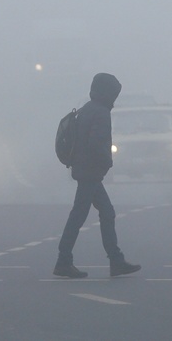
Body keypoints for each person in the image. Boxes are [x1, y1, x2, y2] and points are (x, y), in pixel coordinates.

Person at [53, 73, 141, 279]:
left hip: (83, 169)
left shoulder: (86, 109)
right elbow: (96, 144)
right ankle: (64, 260)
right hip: (90, 172)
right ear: (108, 93)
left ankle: (115, 260)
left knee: (105, 213)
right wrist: (107, 162)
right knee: (79, 216)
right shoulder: (101, 113)